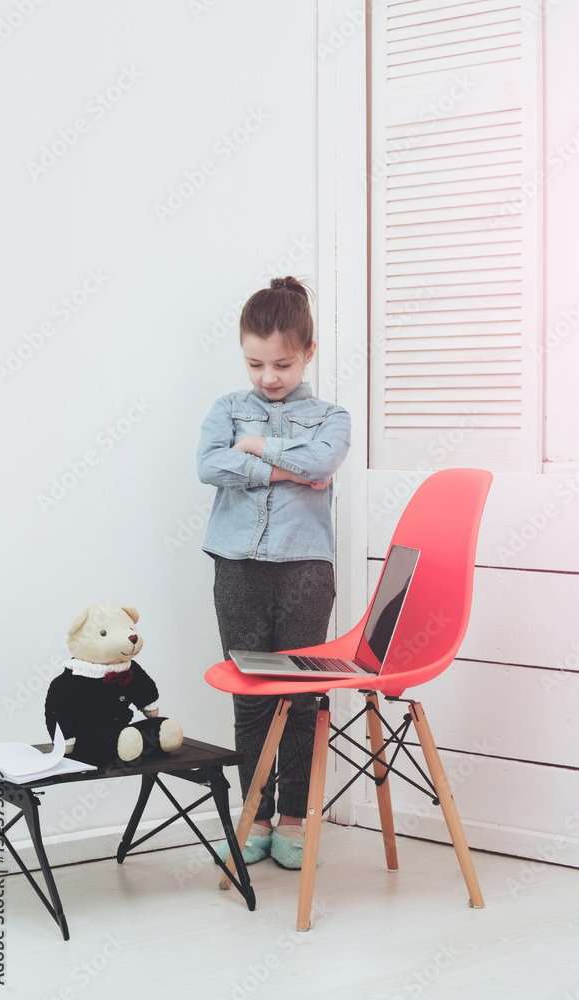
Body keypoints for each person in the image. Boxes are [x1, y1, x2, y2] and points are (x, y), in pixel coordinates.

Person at [196, 275, 351, 868]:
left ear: (308, 352)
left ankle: (294, 817)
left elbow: (326, 461)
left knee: (302, 694)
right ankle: (254, 815)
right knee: (252, 694)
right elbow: (211, 467)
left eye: (282, 363)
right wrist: (291, 469)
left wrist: (257, 450)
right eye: (255, 363)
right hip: (236, 566)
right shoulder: (227, 409)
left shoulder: (332, 415)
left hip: (306, 570)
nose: (268, 377)